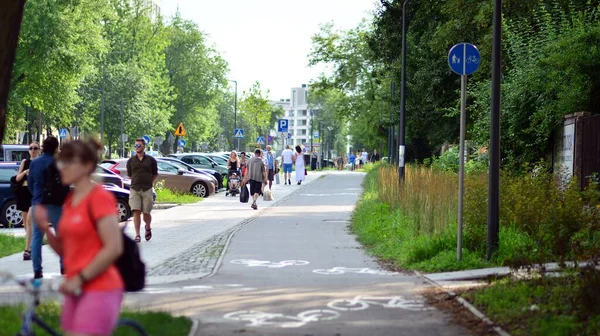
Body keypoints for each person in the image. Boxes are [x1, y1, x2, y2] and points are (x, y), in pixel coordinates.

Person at [36, 139, 124, 336]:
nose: (62, 167)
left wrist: (81, 278)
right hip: (75, 289)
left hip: (100, 288)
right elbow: (67, 252)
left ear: (86, 166)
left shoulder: (99, 197)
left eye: (69, 162)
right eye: (61, 161)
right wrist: (46, 230)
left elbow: (113, 247)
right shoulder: (70, 201)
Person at [30, 136, 68, 279]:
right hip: (55, 204)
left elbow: (30, 182)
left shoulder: (35, 163)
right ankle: (64, 266)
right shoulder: (58, 163)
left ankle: (37, 270)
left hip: (38, 203)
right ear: (56, 148)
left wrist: (36, 196)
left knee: (37, 237)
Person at [126, 138, 158, 243]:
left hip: (147, 188)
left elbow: (155, 174)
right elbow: (130, 175)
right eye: (135, 146)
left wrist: (148, 181)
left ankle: (148, 227)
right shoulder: (131, 161)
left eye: (139, 145)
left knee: (146, 212)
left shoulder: (151, 160)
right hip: (134, 188)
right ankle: (138, 235)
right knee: (136, 211)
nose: (136, 148)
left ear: (144, 147)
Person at [15, 142, 40, 260]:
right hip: (24, 192)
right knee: (25, 222)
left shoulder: (40, 162)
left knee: (30, 220)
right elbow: (17, 178)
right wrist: (25, 172)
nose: (33, 150)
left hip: (34, 193)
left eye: (35, 148)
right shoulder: (25, 162)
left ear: (39, 150)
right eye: (31, 148)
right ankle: (31, 243)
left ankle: (28, 249)